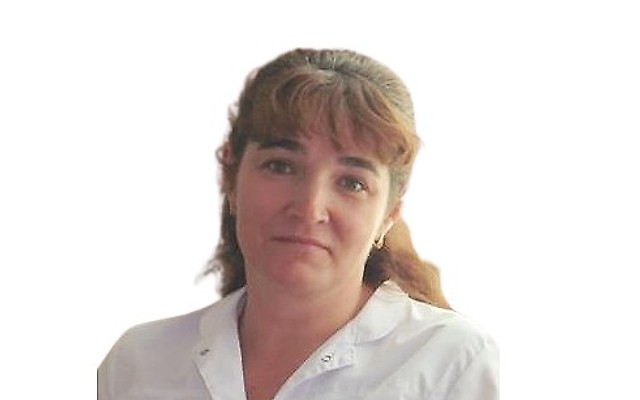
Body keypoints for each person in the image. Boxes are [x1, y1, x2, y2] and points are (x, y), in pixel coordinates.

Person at [98, 48, 499, 400]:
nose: (309, 208)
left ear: (390, 213)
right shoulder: (137, 364)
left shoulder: (450, 362)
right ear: (230, 177)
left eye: (352, 183)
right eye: (281, 166)